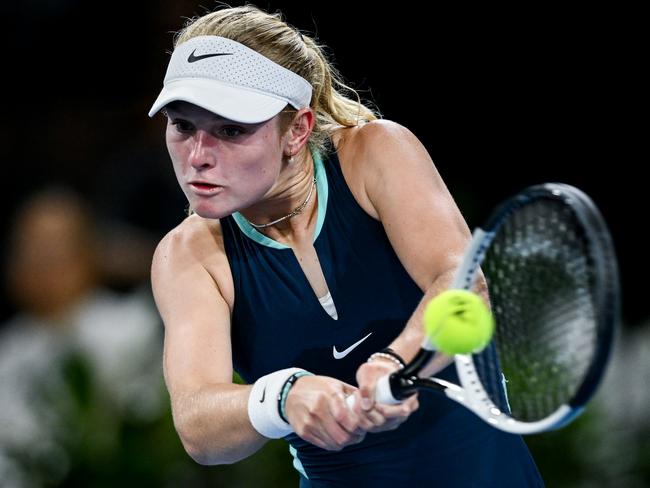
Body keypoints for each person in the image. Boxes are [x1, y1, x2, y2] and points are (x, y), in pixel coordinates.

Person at [148, 5, 544, 486]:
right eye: (182, 126)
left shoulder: (376, 153)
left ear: (298, 129)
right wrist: (283, 397)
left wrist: (396, 363)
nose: (198, 157)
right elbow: (197, 426)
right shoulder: (187, 256)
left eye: (232, 130)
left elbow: (464, 289)